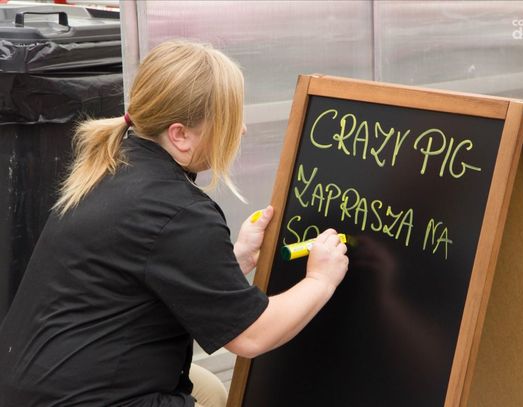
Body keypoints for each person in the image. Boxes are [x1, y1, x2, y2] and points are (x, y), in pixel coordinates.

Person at [0, 40, 348, 407]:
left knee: (210, 389)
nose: (242, 130)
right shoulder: (179, 212)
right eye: (229, 120)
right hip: (85, 398)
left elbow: (148, 273)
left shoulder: (112, 166)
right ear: (180, 135)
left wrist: (237, 258)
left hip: (30, 385)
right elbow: (251, 336)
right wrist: (320, 280)